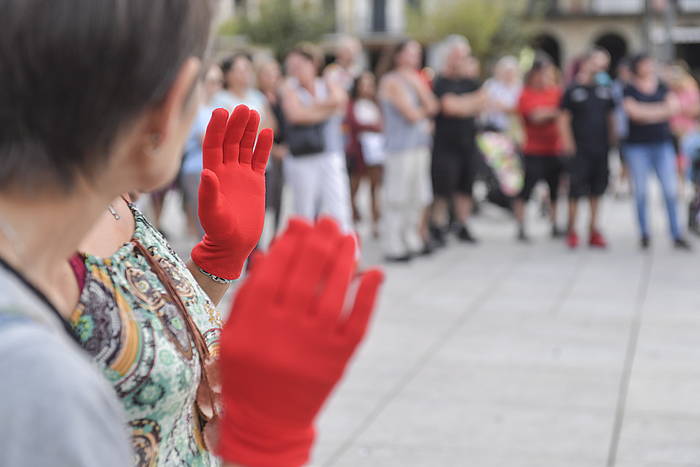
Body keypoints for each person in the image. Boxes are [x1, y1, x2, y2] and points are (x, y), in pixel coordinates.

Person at [0, 1, 385, 466]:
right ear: (168, 105)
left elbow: (127, 341)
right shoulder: (30, 377)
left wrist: (216, 265)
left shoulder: (104, 208)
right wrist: (266, 445)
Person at [281, 43, 353, 231]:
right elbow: (295, 115)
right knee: (304, 210)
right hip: (303, 156)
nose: (296, 70)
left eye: (299, 65)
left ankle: (348, 255)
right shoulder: (290, 88)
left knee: (338, 205)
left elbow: (339, 100)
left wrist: (310, 111)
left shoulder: (326, 83)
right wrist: (326, 111)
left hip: (330, 152)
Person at [623, 53, 691, 250]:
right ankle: (644, 233)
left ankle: (676, 233)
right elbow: (634, 114)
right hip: (637, 146)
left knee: (670, 191)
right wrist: (660, 111)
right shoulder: (629, 88)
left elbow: (674, 107)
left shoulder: (661, 86)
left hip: (662, 144)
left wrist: (647, 112)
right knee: (641, 192)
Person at [378, 40, 439, 262]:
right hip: (400, 148)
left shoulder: (416, 78)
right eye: (411, 52)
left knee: (418, 195)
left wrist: (417, 87)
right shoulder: (391, 81)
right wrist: (423, 112)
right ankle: (393, 243)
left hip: (419, 145)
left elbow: (433, 106)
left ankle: (410, 238)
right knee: (397, 195)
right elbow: (411, 114)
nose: (416, 56)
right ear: (398, 55)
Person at [430, 36, 486, 245]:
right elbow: (448, 107)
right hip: (445, 144)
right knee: (442, 188)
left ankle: (462, 224)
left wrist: (463, 104)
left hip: (468, 142)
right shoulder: (440, 82)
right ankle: (438, 225)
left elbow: (482, 102)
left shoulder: (471, 81)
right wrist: (467, 104)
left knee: (466, 187)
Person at [559, 50, 616, 249]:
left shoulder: (605, 89)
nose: (601, 67)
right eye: (597, 62)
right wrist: (568, 144)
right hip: (580, 149)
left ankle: (593, 229)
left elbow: (611, 117)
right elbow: (564, 119)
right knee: (575, 191)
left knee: (597, 190)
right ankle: (572, 229)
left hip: (600, 148)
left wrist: (613, 141)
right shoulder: (572, 90)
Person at [513, 56, 565, 241]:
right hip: (533, 149)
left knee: (554, 189)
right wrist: (554, 113)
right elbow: (535, 116)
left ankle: (554, 222)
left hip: (554, 149)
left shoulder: (557, 92)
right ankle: (521, 224)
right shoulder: (526, 94)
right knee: (526, 189)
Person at [181, 63, 224, 238]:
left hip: (213, 169)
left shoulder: (214, 107)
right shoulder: (194, 108)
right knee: (205, 224)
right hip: (196, 169)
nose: (215, 86)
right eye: (211, 81)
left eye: (218, 81)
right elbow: (206, 140)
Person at [345, 72, 384, 237]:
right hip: (359, 151)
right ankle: (352, 220)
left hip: (375, 151)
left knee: (375, 188)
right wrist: (372, 127)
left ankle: (376, 221)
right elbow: (352, 124)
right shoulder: (352, 104)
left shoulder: (375, 104)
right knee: (354, 186)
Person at [667, 65, 700, 234]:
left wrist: (679, 108)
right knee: (679, 163)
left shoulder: (690, 91)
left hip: (690, 136)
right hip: (677, 135)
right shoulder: (670, 92)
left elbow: (693, 110)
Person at [257, 59, 287, 236]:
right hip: (267, 152)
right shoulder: (257, 97)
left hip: (282, 153)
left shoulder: (281, 97)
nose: (272, 78)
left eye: (275, 74)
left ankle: (275, 236)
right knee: (266, 200)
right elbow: (265, 126)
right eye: (267, 74)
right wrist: (273, 148)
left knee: (279, 198)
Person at [213, 53, 272, 128]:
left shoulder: (258, 96)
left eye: (249, 69)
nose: (246, 73)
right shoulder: (219, 98)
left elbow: (271, 125)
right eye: (242, 70)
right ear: (228, 74)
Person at [482, 55, 523, 135]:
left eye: (511, 71)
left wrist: (506, 108)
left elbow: (521, 108)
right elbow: (483, 102)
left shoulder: (520, 87)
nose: (508, 74)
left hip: (512, 129)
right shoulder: (491, 84)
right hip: (490, 126)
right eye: (506, 71)